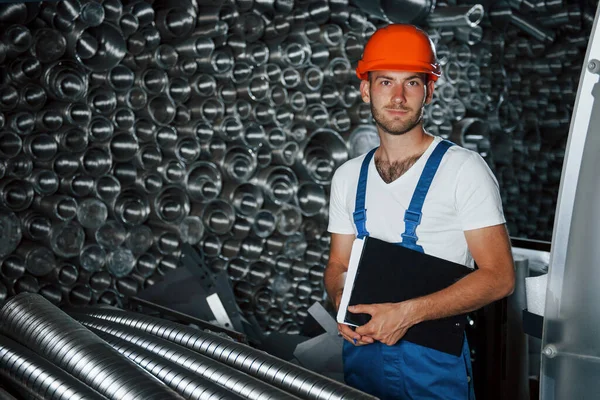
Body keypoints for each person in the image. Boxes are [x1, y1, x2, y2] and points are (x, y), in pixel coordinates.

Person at [324, 24, 515, 399]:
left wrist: (406, 314)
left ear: (430, 90)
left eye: (411, 82)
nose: (397, 97)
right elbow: (337, 265)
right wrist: (341, 305)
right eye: (385, 83)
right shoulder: (347, 177)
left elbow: (499, 277)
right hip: (360, 356)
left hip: (431, 366)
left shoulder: (464, 169)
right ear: (366, 89)